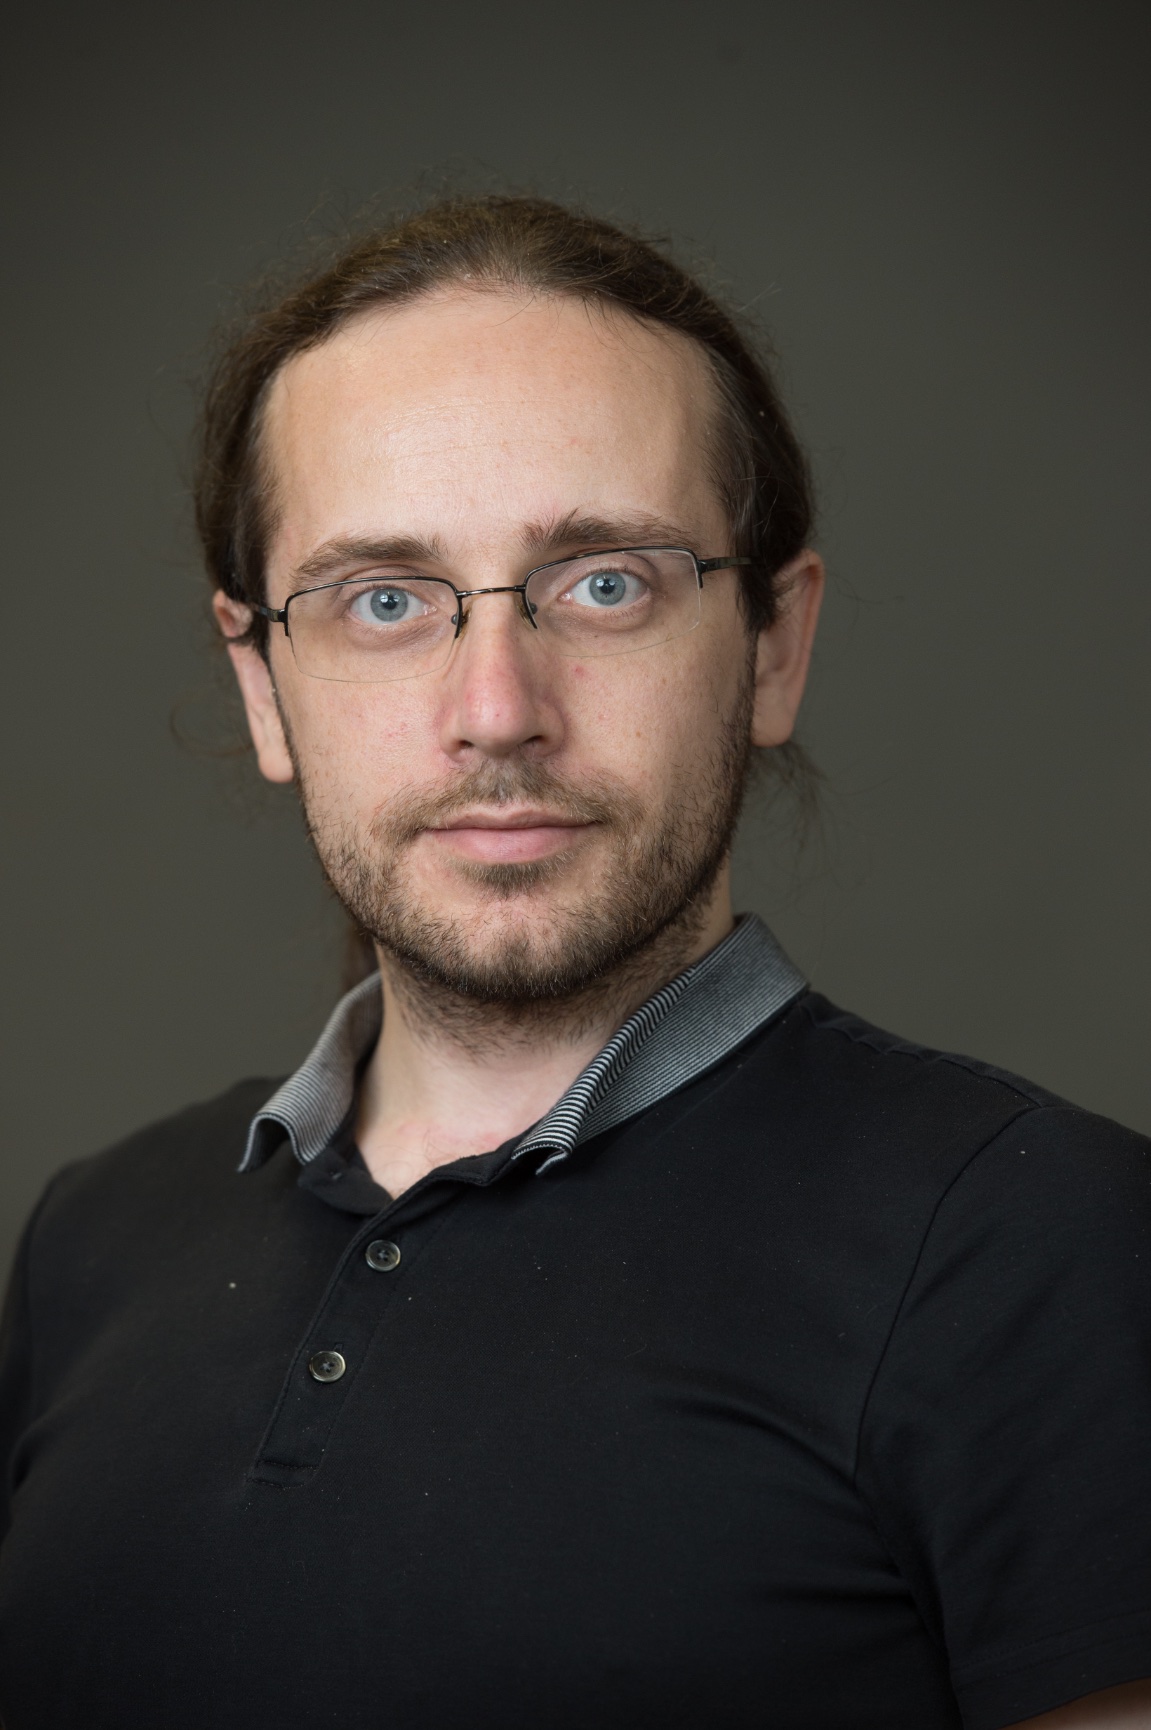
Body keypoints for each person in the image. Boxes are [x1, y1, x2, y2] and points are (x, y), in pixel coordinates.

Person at [0, 196, 1148, 1730]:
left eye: (605, 581)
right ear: (264, 685)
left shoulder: (1042, 1242)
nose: (496, 708)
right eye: (384, 599)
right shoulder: (91, 1242)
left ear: (773, 645)